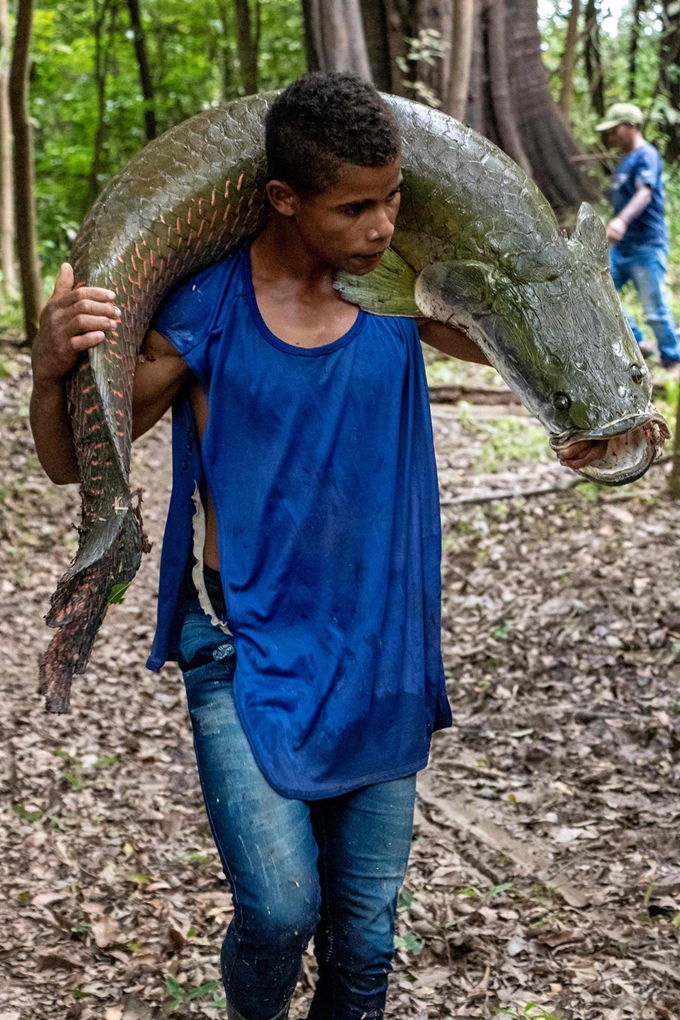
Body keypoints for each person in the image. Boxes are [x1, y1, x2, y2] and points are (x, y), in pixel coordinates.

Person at [30, 74, 601, 1020]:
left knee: (367, 935)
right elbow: (69, 460)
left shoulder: (402, 298)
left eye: (395, 199)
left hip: (382, 656)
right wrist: (52, 370)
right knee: (280, 907)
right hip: (243, 648)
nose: (382, 225)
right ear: (283, 199)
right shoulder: (208, 309)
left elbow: (541, 343)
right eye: (355, 207)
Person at [596, 101, 680, 372]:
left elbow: (644, 193)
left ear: (630, 127)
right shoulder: (625, 160)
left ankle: (673, 359)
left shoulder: (647, 155)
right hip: (622, 246)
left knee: (654, 308)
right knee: (601, 293)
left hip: (647, 244)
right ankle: (639, 343)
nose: (610, 137)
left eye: (614, 130)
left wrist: (620, 221)